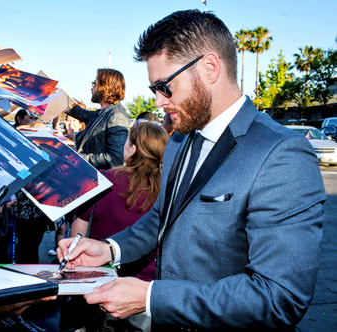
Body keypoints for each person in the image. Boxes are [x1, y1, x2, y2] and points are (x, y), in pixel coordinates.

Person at [58, 9, 326, 331]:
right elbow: (161, 218)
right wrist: (110, 249)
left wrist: (151, 298)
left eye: (164, 86)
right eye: (154, 89)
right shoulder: (179, 140)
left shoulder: (281, 154)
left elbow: (279, 297)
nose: (158, 101)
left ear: (209, 67)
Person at [69, 120, 168, 331]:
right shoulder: (169, 190)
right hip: (145, 297)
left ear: (131, 148)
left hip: (97, 289)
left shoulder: (103, 181)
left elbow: (77, 236)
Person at [66, 68, 130, 170]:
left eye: (94, 84)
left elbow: (116, 159)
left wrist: (79, 159)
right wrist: (55, 94)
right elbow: (78, 112)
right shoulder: (102, 113)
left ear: (105, 87)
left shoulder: (117, 116)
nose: (91, 89)